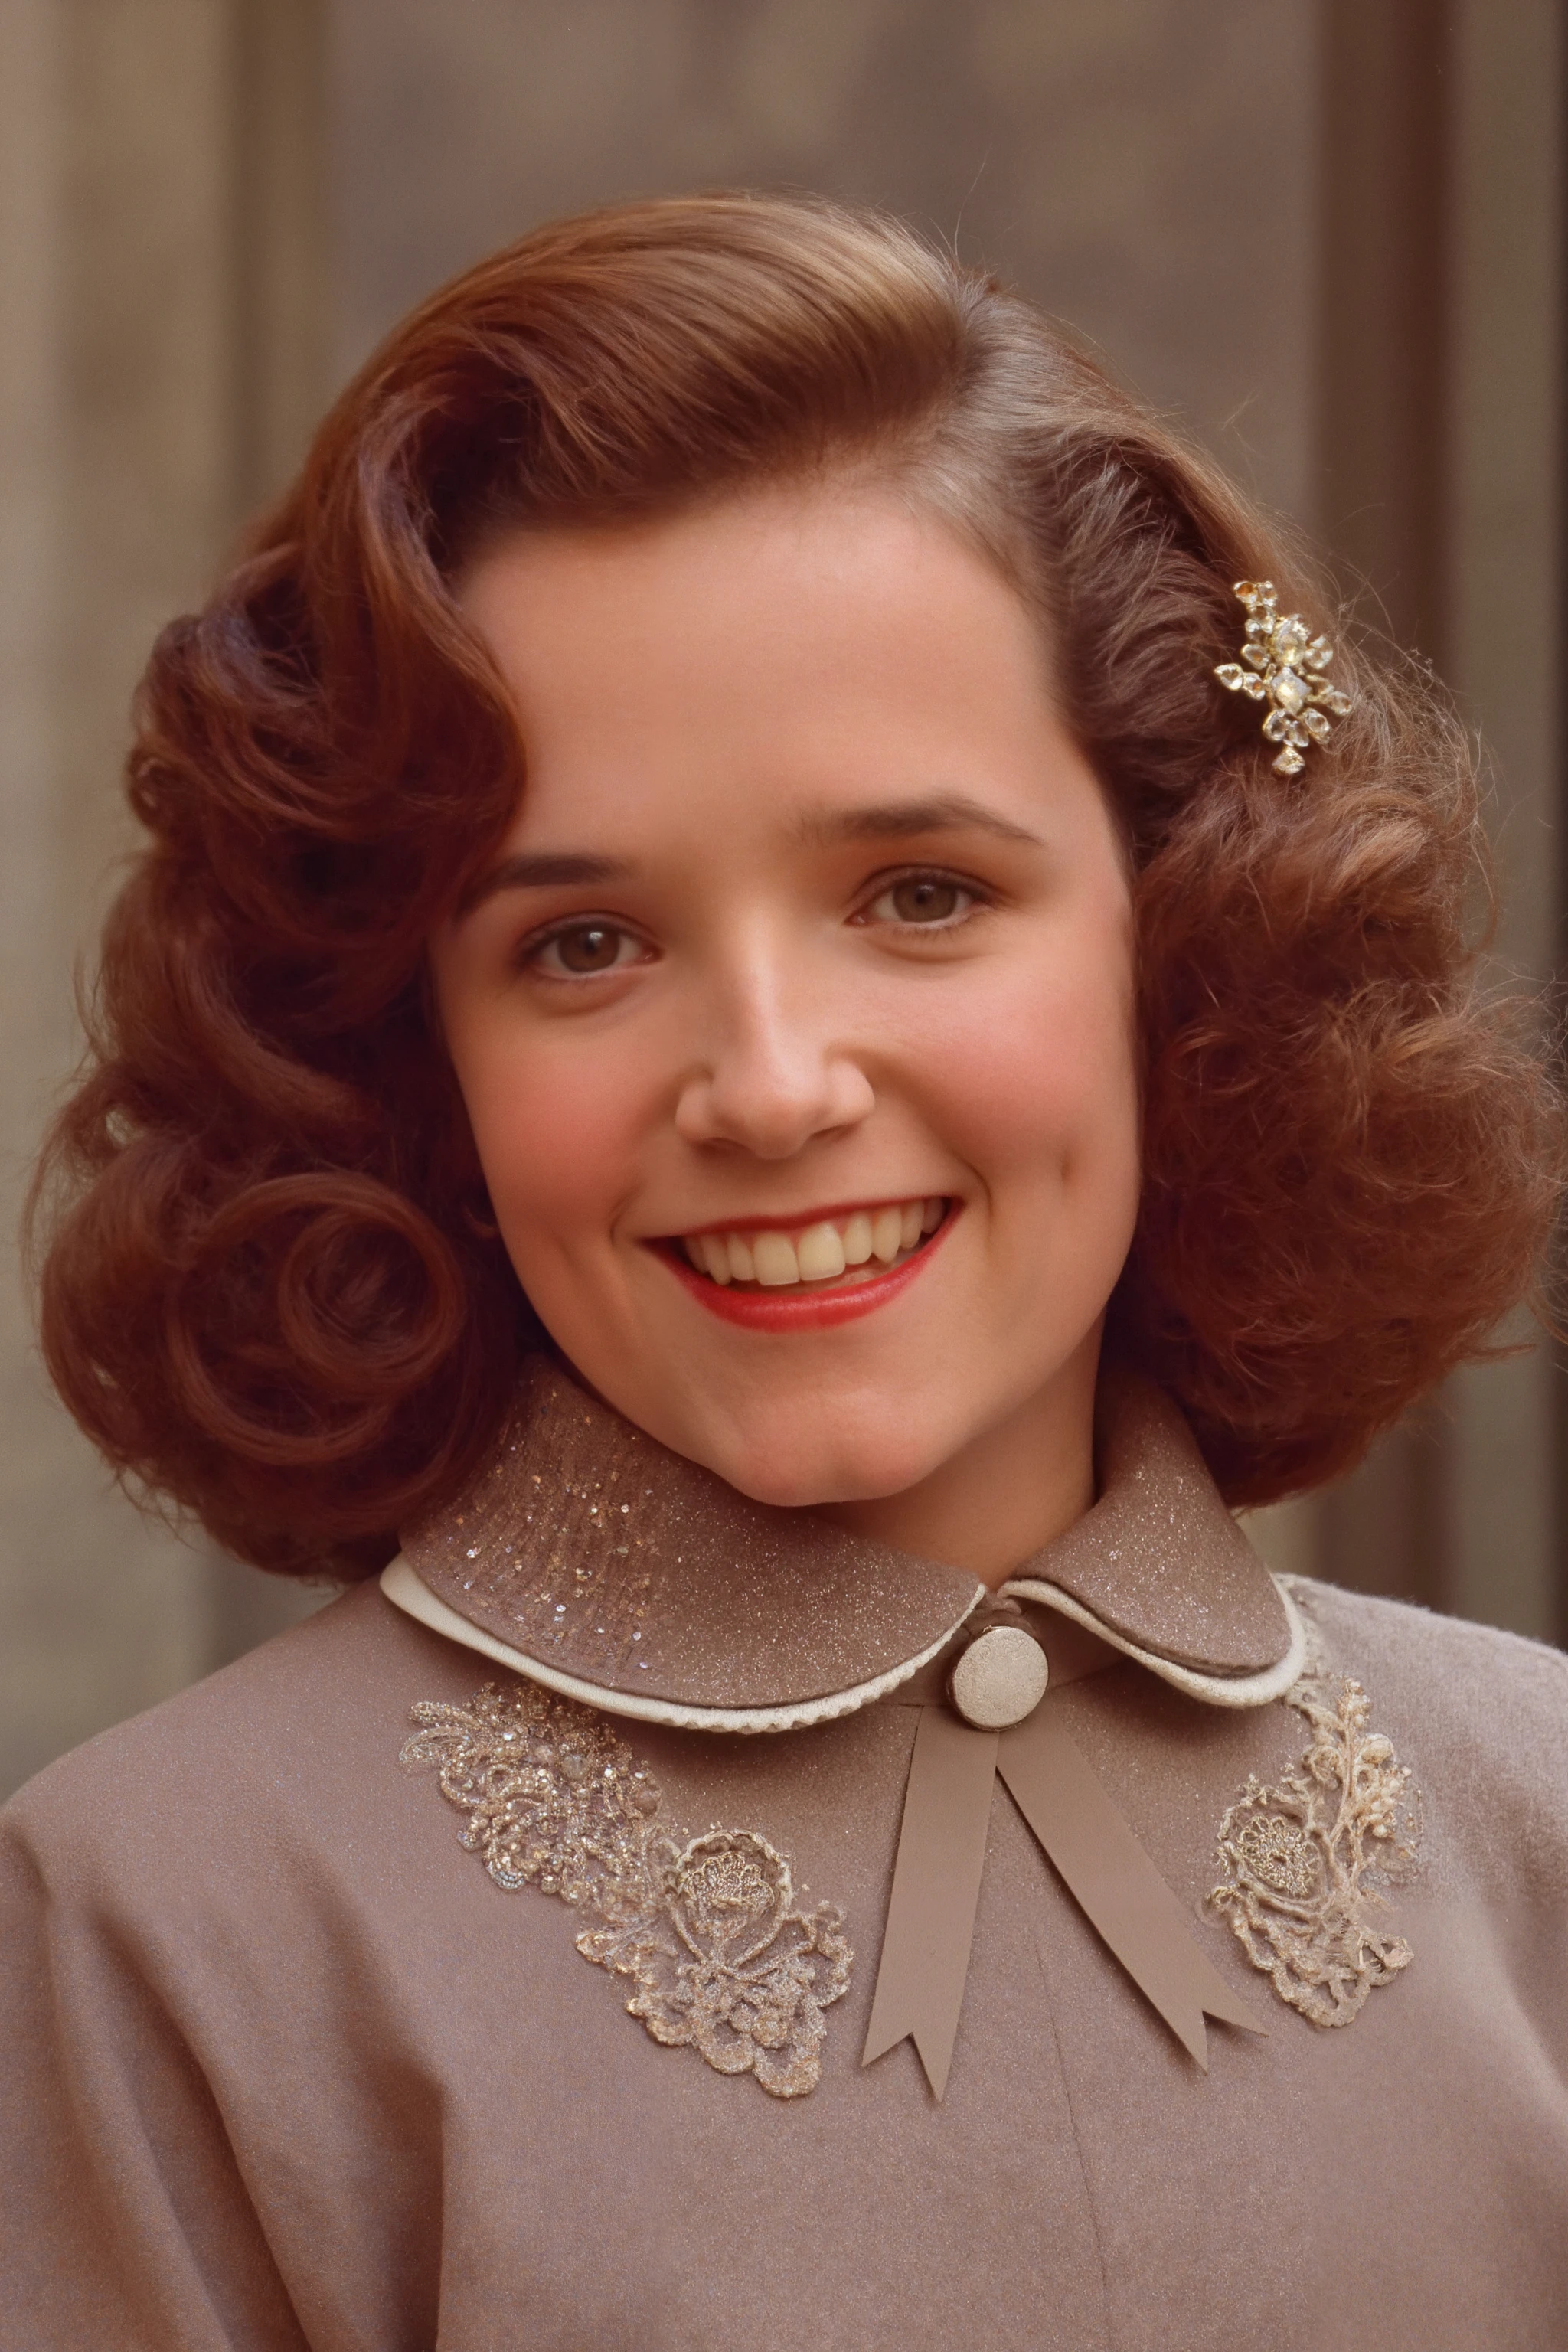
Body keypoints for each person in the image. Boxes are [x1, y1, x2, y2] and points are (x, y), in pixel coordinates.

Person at [3, 192, 1566, 2351]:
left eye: (918, 894)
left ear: (1195, 926)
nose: (765, 1082)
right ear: (412, 1060)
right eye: (584, 944)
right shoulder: (168, 1925)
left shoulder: (1539, 1815)